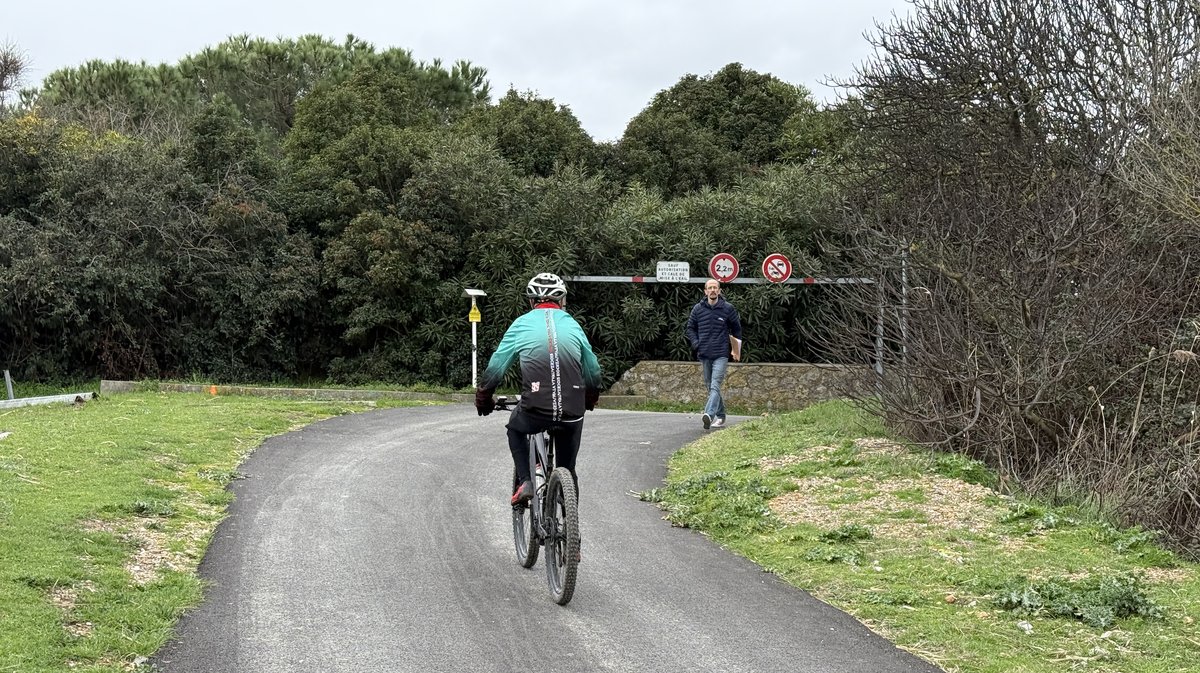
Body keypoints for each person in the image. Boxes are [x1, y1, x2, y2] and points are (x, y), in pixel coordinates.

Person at [475, 272, 603, 505]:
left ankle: (525, 482)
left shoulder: (522, 323)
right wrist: (590, 398)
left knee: (515, 428)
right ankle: (569, 515)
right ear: (561, 301)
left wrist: (483, 397)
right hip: (572, 411)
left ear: (532, 301)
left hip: (535, 409)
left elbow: (497, 365)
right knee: (568, 468)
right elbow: (593, 368)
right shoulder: (573, 324)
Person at [685, 278, 743, 430]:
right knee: (710, 386)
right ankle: (721, 416)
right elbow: (690, 327)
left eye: (715, 288)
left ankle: (709, 415)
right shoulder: (698, 309)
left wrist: (735, 349)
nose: (712, 290)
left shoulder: (727, 308)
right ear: (705, 291)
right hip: (704, 353)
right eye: (709, 288)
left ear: (719, 291)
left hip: (721, 353)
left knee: (715, 385)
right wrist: (696, 344)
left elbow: (737, 329)